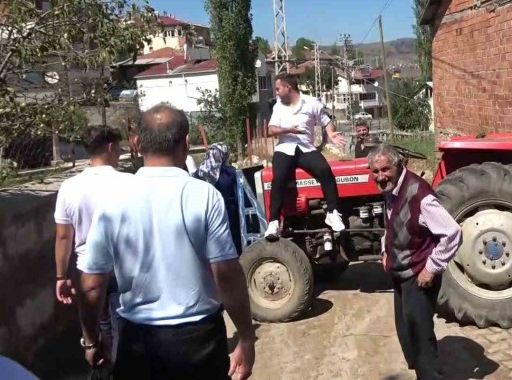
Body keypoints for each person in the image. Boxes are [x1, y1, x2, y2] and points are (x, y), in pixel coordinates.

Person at [78, 105, 255, 380]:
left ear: (137, 144)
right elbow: (227, 276)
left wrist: (91, 339)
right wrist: (245, 336)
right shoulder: (204, 196)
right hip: (200, 341)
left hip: (137, 342)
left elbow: (91, 284)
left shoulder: (112, 202)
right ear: (185, 144)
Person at [369, 143, 462, 380]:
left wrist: (431, 268)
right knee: (406, 333)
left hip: (418, 275)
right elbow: (391, 224)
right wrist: (385, 250)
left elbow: (452, 233)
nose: (380, 177)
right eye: (376, 171)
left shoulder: (419, 194)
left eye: (385, 170)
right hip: (400, 273)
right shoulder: (390, 191)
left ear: (399, 165)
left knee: (420, 337)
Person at [54, 125, 129, 360]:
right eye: (118, 147)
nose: (120, 152)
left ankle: (103, 360)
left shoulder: (68, 187)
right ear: (110, 147)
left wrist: (60, 276)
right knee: (124, 324)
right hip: (123, 265)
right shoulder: (128, 182)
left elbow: (64, 236)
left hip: (87, 268)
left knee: (101, 323)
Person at [264, 73, 347, 241]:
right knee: (278, 177)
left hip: (305, 148)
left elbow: (325, 120)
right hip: (285, 148)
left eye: (278, 88)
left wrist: (331, 133)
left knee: (325, 170)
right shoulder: (278, 107)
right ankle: (273, 222)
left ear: (288, 88)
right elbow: (271, 130)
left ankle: (332, 213)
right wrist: (288, 130)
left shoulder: (311, 102)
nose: (277, 92)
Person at [194, 142, 244, 255]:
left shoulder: (198, 174)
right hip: (229, 214)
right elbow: (238, 196)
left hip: (204, 215)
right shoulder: (229, 172)